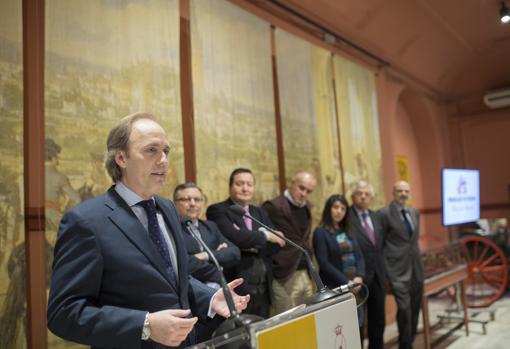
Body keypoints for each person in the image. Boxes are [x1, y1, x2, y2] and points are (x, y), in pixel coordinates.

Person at [47, 112, 249, 349]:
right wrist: (144, 325)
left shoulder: (168, 209)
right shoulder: (86, 221)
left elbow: (173, 278)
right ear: (121, 158)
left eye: (166, 151)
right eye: (151, 150)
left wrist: (210, 298)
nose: (163, 160)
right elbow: (63, 313)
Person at [206, 168, 285, 319]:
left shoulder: (260, 212)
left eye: (249, 184)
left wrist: (247, 238)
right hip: (237, 283)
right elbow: (234, 237)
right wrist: (265, 235)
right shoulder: (218, 210)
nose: (245, 188)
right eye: (240, 184)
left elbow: (278, 244)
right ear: (230, 187)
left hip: (263, 285)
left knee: (262, 330)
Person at [262, 171, 316, 314]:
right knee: (289, 321)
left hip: (306, 272)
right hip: (284, 274)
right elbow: (262, 234)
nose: (304, 193)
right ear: (292, 183)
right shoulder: (273, 206)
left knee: (309, 318)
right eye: (301, 188)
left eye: (308, 191)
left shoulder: (307, 207)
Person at [379, 181, 424, 349]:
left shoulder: (414, 212)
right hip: (396, 270)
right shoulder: (383, 214)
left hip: (416, 268)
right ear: (393, 193)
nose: (403, 193)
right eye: (400, 191)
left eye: (406, 190)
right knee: (404, 309)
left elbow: (412, 242)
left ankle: (409, 341)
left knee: (415, 307)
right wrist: (385, 273)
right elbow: (380, 245)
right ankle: (405, 345)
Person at [312, 194, 365, 335]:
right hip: (337, 287)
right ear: (328, 209)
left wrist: (359, 276)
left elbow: (359, 255)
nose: (339, 211)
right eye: (335, 207)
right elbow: (324, 263)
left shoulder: (348, 229)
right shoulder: (320, 232)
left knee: (358, 328)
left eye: (343, 208)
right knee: (342, 331)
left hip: (355, 286)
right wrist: (347, 283)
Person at [173, 182, 240, 289]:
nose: (193, 203)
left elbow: (234, 253)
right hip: (191, 292)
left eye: (197, 199)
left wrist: (206, 255)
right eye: (186, 199)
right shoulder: (172, 229)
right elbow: (185, 265)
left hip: (219, 290)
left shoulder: (210, 226)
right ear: (175, 203)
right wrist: (218, 265)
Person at [348, 180, 385, 349]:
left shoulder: (376, 216)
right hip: (357, 276)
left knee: (378, 320)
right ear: (353, 196)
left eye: (367, 194)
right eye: (359, 193)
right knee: (357, 322)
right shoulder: (346, 217)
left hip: (378, 275)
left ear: (371, 198)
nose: (363, 197)